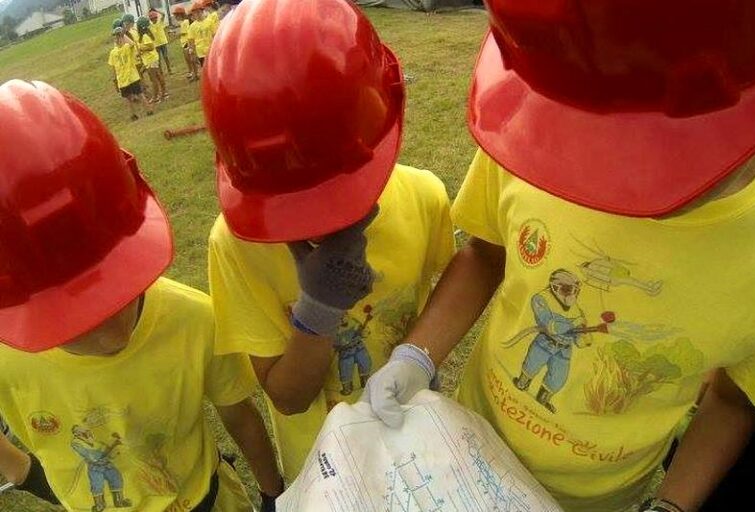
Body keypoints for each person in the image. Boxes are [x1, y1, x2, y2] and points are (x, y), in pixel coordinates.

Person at [363, 1, 755, 512]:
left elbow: (735, 399)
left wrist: (672, 504)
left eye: (658, 156)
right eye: (594, 147)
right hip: (471, 444)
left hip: (604, 497)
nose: (612, 187)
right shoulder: (540, 121)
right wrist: (415, 355)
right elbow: (488, 254)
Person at [0, 79, 283, 512]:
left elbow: (239, 414)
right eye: (69, 320)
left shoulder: (193, 318)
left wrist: (272, 493)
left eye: (114, 291)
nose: (107, 330)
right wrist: (18, 467)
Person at [203, 0, 455, 482]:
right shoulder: (235, 245)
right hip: (326, 471)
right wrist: (317, 310)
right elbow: (290, 399)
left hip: (418, 442)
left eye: (334, 196)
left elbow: (440, 310)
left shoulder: (425, 198)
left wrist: (416, 360)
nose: (316, 224)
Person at [108, 26, 153, 120]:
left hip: (132, 76)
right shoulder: (113, 52)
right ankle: (133, 115)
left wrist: (123, 35)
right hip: (122, 79)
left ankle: (149, 110)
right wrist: (115, 80)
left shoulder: (127, 47)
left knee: (140, 94)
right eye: (116, 37)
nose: (117, 39)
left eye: (118, 37)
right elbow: (113, 67)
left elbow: (133, 44)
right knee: (128, 98)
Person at [136, 15, 167, 103]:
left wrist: (141, 49)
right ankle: (163, 93)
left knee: (154, 79)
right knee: (158, 76)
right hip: (150, 59)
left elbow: (151, 47)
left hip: (151, 60)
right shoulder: (146, 34)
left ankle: (156, 96)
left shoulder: (145, 36)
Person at [172, 4, 198, 81]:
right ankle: (193, 72)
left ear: (180, 15)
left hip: (187, 42)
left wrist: (176, 34)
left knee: (191, 59)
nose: (175, 17)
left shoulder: (185, 22)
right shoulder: (183, 22)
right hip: (184, 42)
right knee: (189, 59)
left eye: (176, 15)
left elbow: (185, 32)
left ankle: (195, 73)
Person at [187, 1, 211, 68]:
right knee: (204, 68)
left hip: (211, 50)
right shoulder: (192, 26)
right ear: (193, 14)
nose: (197, 14)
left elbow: (214, 35)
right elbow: (191, 41)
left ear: (202, 11)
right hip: (201, 52)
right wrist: (192, 52)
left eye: (199, 12)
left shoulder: (209, 21)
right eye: (195, 13)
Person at [148, 9, 172, 76]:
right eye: (152, 19)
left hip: (163, 42)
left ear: (157, 17)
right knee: (158, 59)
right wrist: (148, 13)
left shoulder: (160, 22)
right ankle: (160, 71)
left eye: (155, 18)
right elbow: (146, 21)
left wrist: (156, 11)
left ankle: (169, 69)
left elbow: (163, 14)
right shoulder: (150, 26)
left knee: (165, 56)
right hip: (156, 45)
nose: (154, 20)